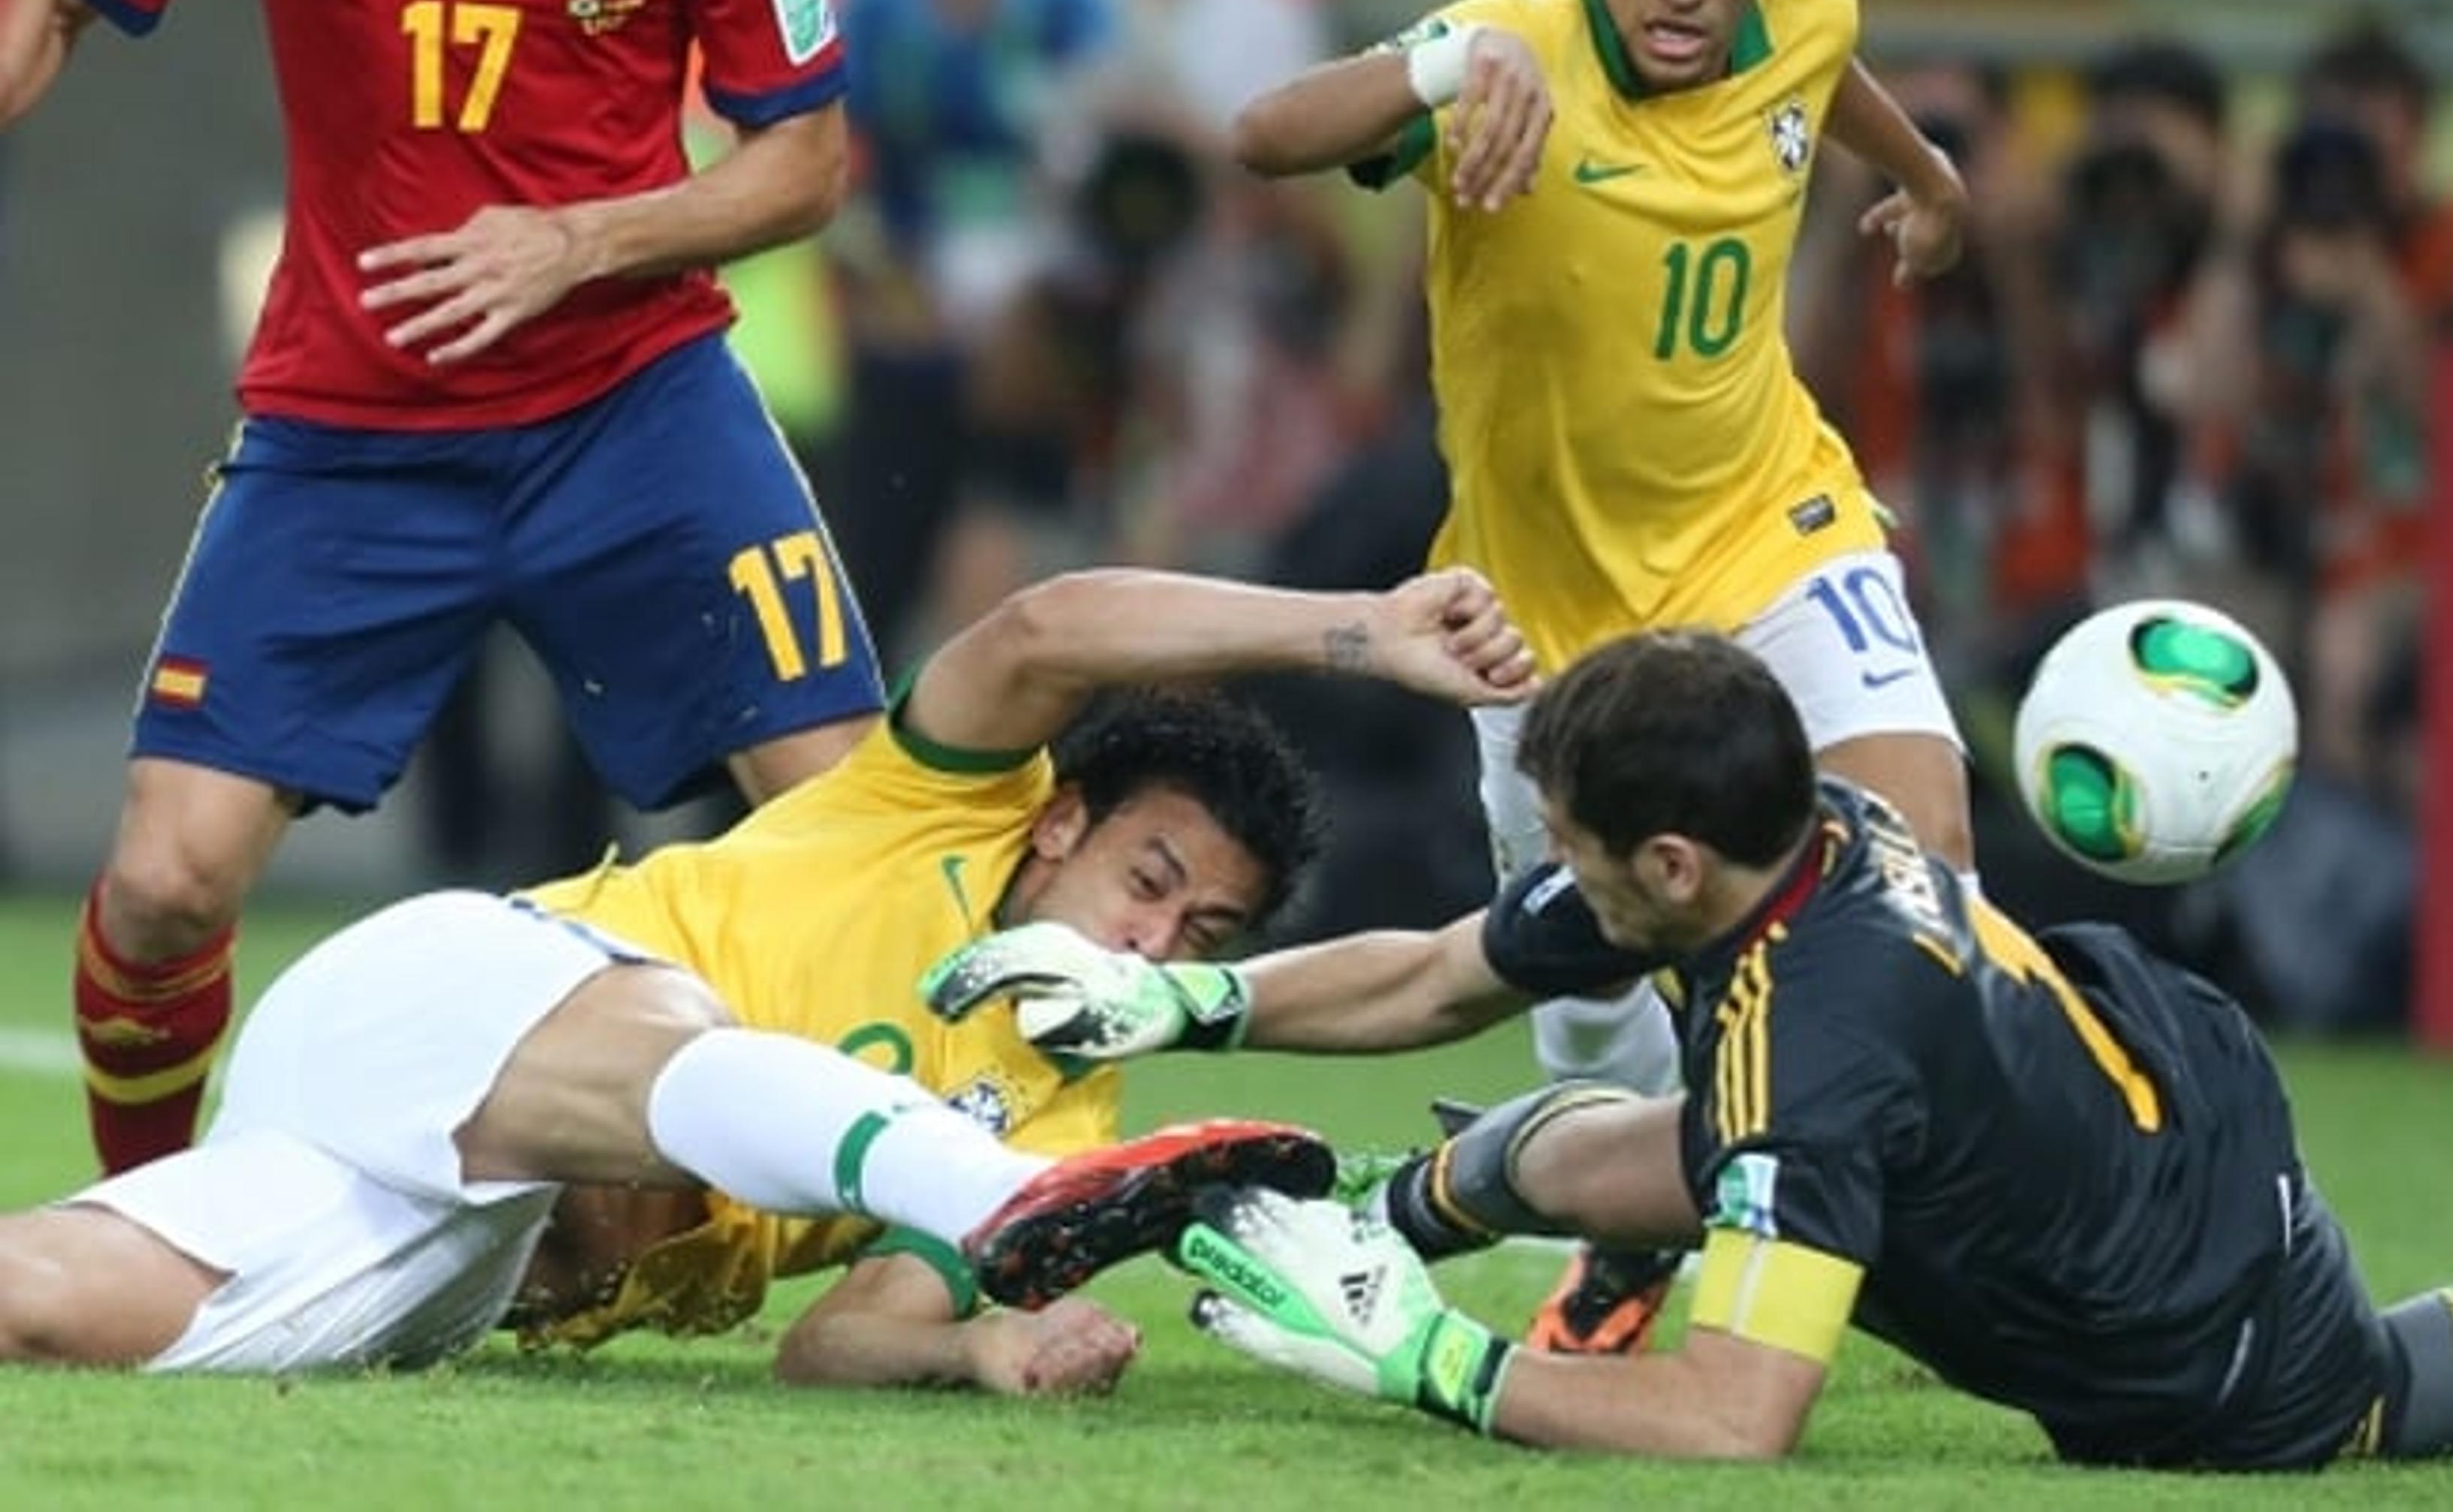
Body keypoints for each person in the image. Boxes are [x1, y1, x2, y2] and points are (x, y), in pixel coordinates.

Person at [932, 627, 2453, 1465]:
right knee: (1579, 1142)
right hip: (2104, 1051)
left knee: (2355, 1400)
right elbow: (1447, 969)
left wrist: (1420, 1356)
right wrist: (1194, 998)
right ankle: (1391, 1204)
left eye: (1587, 859)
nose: (1563, 885)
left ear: (1669, 857)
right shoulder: (1786, 826)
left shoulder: (1813, 1038)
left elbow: (1731, 1418)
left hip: (2197, 1314)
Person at [0, 0, 886, 1175]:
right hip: (350, 428)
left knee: (864, 836)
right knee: (165, 884)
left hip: (635, 407)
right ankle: (154, 1223)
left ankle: (942, 1244)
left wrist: (578, 240)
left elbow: (805, 160)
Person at [0, 561, 1538, 1384]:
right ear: (1059, 820)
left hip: (460, 1231)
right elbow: (1049, 622)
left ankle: (985, 1217)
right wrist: (1359, 630)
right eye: (1148, 881)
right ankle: (972, 1193)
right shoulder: (932, 800)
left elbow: (838, 1342)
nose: (1151, 942)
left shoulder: (1067, 1107)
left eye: (1203, 938)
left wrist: (991, 1347)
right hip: (452, 1000)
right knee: (690, 1033)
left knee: (54, 1311)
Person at [1224, 0, 1973, 1353]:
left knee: (1931, 886)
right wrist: (1437, 77)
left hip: (1772, 526)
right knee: (1591, 1009)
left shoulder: (1811, 4)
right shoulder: (1511, 45)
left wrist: (1924, 180)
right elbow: (1269, 132)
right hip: (1544, 617)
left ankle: (1940, 1234)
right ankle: (1628, 1228)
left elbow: (1827, 71)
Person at [827, 0, 1123, 664]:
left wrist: (1048, 309)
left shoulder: (1073, 0)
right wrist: (876, 288)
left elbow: (1107, 172)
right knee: (860, 585)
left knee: (1012, 581)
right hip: (897, 328)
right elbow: (827, 164)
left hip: (1039, 341)